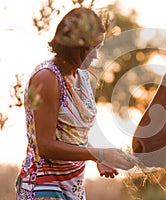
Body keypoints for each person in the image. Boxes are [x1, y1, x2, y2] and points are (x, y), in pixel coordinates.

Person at [16, 7, 134, 200]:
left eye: (99, 47)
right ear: (74, 46)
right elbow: (44, 146)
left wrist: (99, 158)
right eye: (92, 48)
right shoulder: (47, 78)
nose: (96, 55)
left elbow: (74, 132)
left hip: (73, 188)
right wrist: (99, 154)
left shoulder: (82, 76)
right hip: (44, 188)